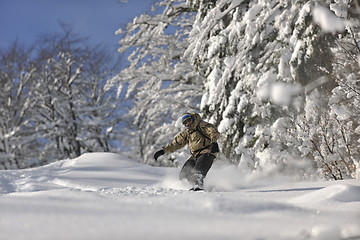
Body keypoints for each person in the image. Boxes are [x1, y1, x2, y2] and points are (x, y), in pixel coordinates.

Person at [154, 112, 220, 191]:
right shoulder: (187, 133)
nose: (187, 124)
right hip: (195, 155)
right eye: (185, 123)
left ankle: (198, 185)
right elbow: (176, 144)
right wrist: (163, 151)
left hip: (207, 152)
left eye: (188, 120)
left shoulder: (201, 125)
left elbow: (213, 131)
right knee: (184, 174)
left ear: (192, 118)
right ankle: (187, 187)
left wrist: (213, 142)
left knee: (198, 171)